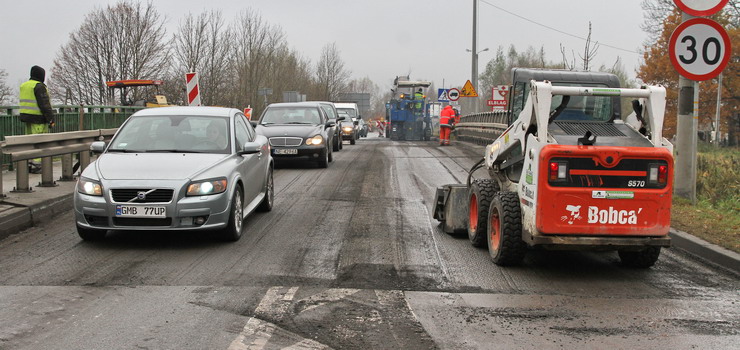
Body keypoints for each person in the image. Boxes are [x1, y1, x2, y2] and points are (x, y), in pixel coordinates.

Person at [19, 66, 54, 173]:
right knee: (39, 142)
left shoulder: (24, 86)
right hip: (38, 119)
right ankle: (37, 165)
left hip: (26, 118)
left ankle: (28, 163)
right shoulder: (39, 86)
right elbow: (44, 105)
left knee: (29, 142)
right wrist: (51, 119)